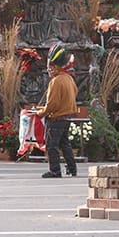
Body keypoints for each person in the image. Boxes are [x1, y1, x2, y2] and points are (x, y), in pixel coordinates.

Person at [34, 43, 78, 178]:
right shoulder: (69, 79)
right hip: (67, 118)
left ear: (55, 67)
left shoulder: (56, 81)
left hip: (56, 119)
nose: (49, 70)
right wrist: (43, 108)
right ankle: (72, 168)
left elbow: (53, 104)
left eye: (50, 67)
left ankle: (55, 170)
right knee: (65, 145)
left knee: (52, 146)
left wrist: (40, 112)